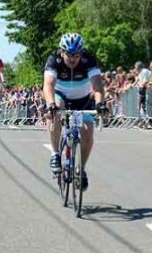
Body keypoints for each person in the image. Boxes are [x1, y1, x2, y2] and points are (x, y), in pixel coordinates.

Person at [43, 32, 106, 191]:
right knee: (54, 111)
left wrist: (100, 104)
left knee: (87, 131)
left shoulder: (88, 59)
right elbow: (48, 85)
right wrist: (50, 104)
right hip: (61, 96)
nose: (73, 59)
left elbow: (97, 84)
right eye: (69, 55)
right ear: (61, 51)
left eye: (76, 55)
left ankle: (81, 169)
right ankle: (56, 154)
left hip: (83, 99)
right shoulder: (54, 60)